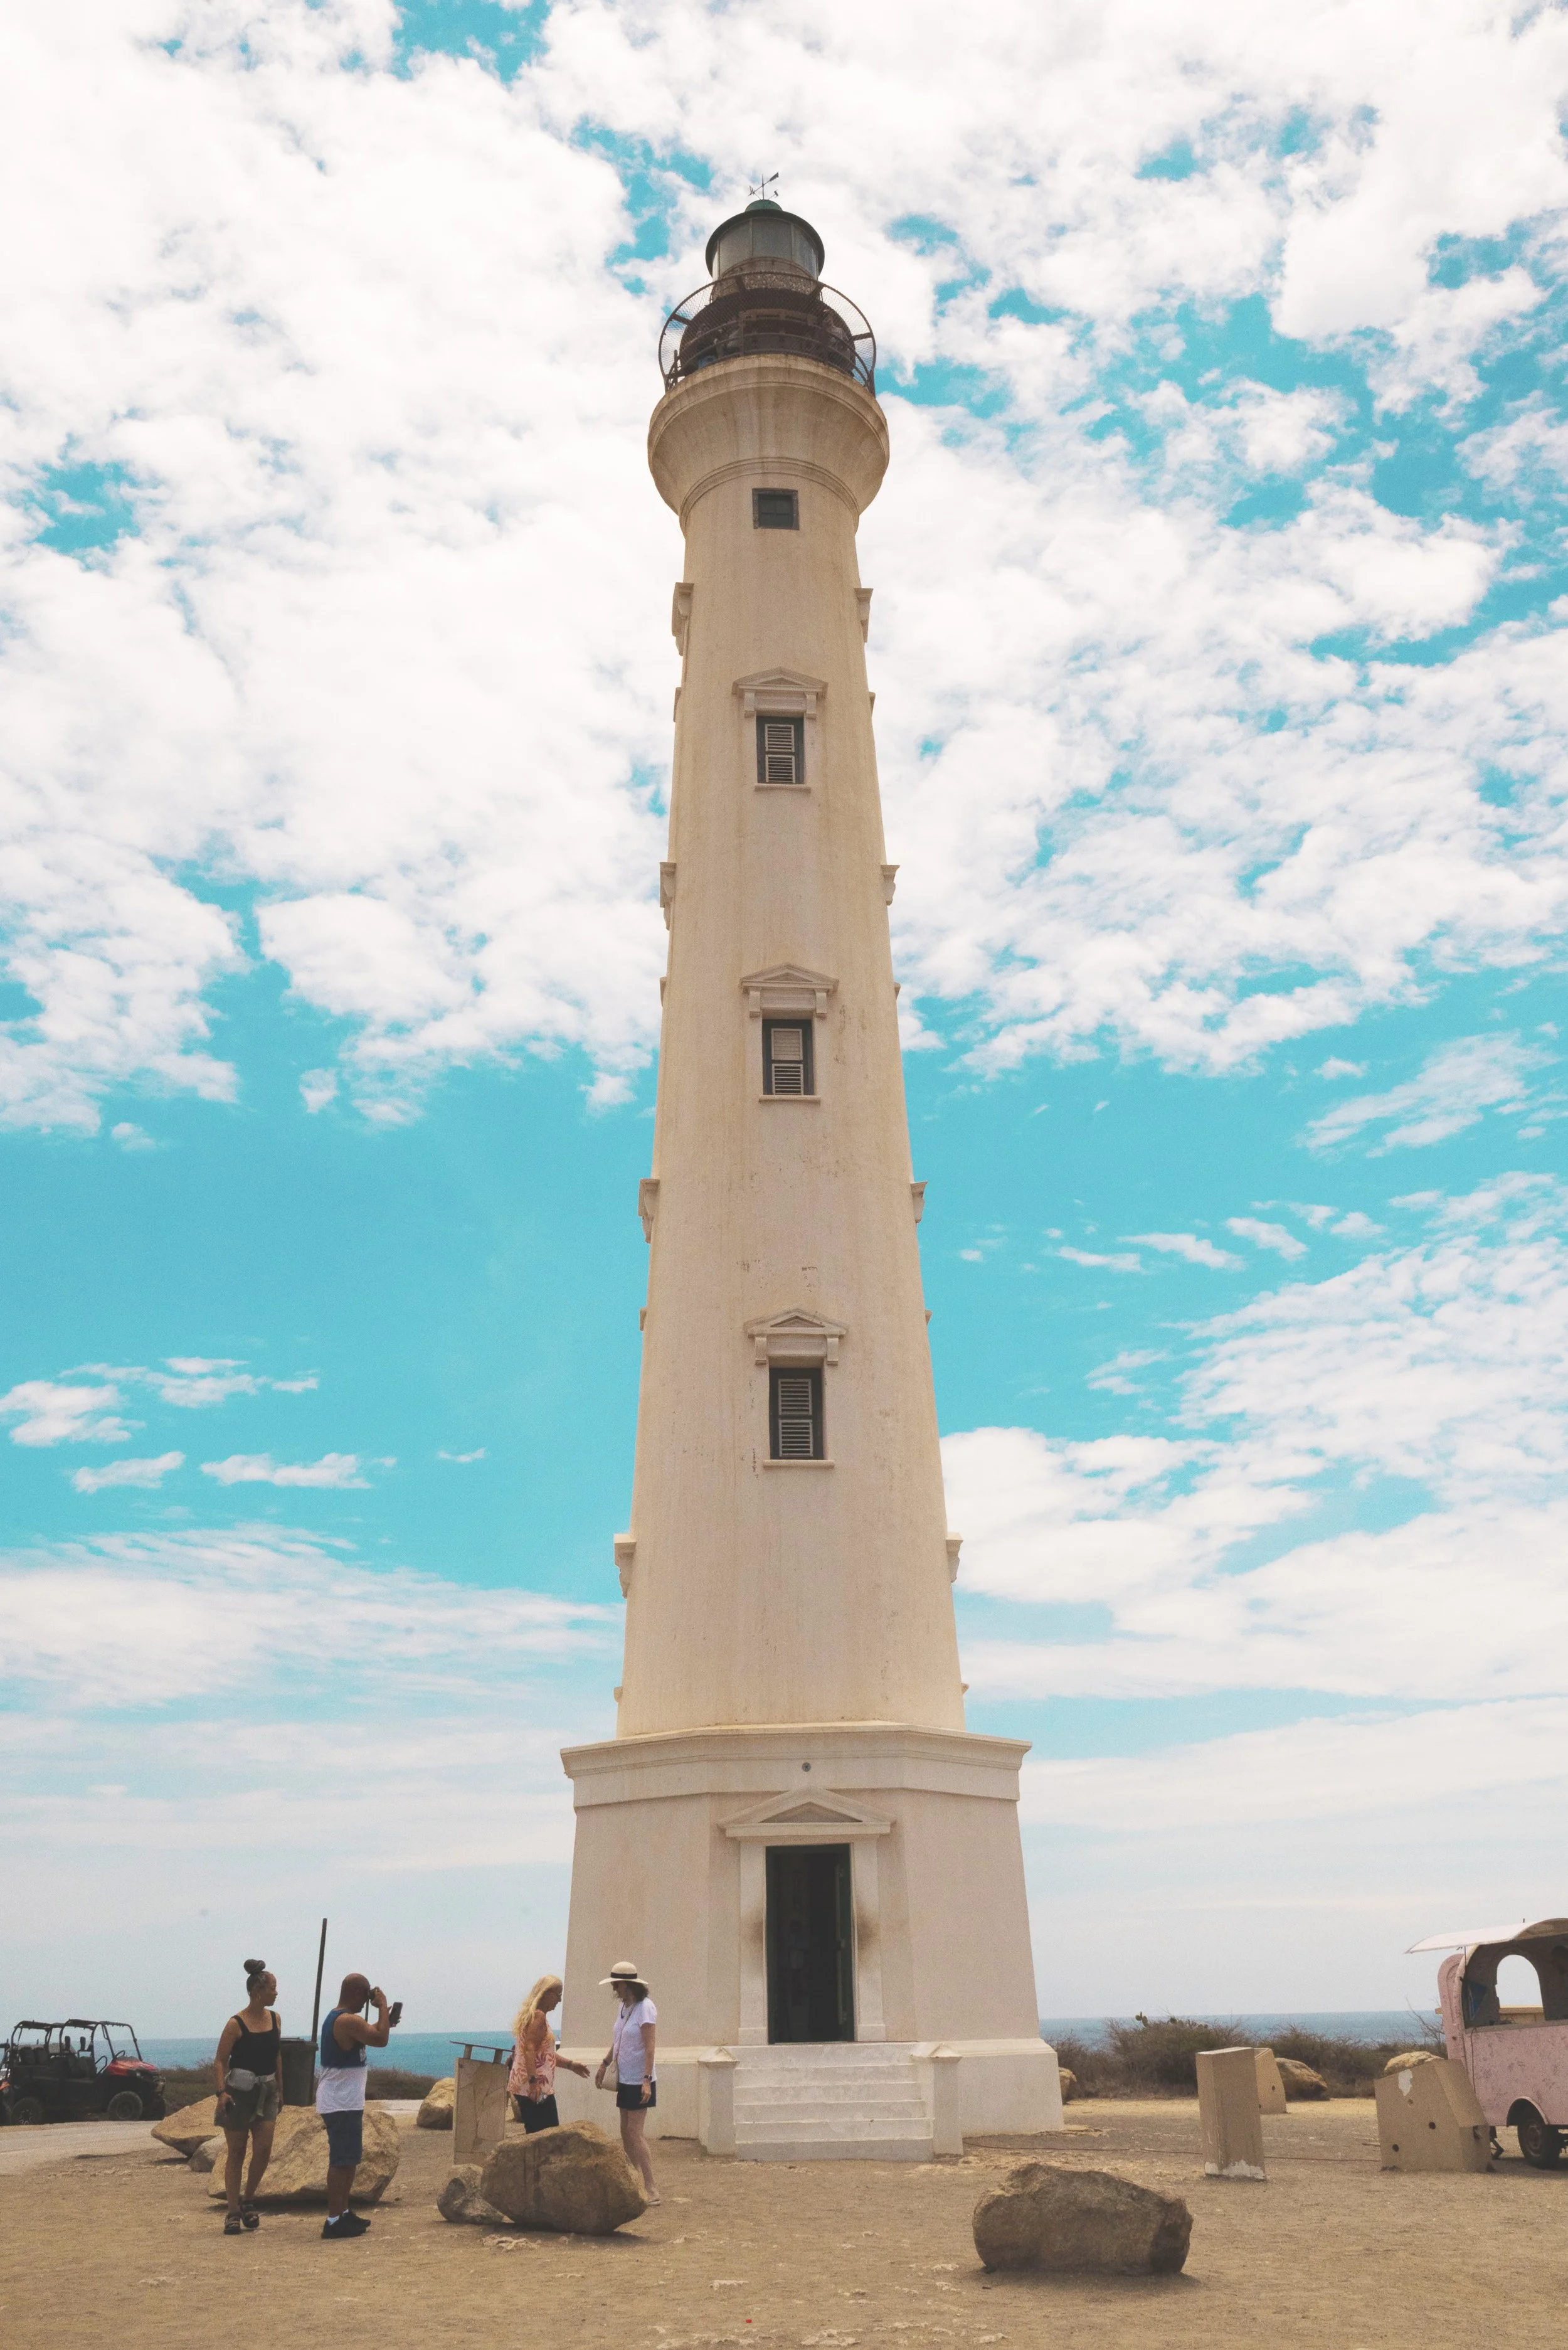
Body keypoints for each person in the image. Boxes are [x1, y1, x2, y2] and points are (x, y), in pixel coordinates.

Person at [315, 1973, 393, 2241]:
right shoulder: (347, 2019)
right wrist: (382, 2006)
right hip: (340, 2102)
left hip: (345, 2101)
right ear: (358, 1994)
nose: (367, 2001)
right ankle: (334, 2219)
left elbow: (371, 2034)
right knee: (342, 2161)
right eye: (367, 1995)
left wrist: (385, 2021)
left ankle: (343, 2212)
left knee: (349, 2160)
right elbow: (381, 2040)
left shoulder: (344, 2020)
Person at [214, 1959, 284, 2235]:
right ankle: (232, 2212)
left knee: (264, 2149)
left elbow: (277, 2055)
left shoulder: (276, 2019)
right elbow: (220, 2061)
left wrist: (281, 2091)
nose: (277, 1993)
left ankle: (249, 2199)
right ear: (258, 1991)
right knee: (237, 2151)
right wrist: (221, 2094)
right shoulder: (236, 2024)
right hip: (239, 2094)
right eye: (274, 1988)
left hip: (267, 2091)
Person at [595, 1958, 659, 2205]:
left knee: (635, 2133)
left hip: (640, 2079)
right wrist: (604, 2063)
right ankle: (633, 2182)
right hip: (625, 2077)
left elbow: (650, 2047)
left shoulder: (645, 2008)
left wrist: (646, 2080)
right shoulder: (624, 2008)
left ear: (627, 1985)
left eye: (617, 1985)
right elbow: (619, 2039)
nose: (615, 1990)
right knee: (625, 2132)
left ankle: (651, 2187)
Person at [508, 1975, 590, 2132]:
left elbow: (545, 2055)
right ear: (546, 1993)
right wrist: (534, 2083)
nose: (559, 2000)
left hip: (527, 2086)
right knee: (548, 2136)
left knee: (538, 2133)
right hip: (535, 2087)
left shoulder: (534, 2016)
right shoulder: (539, 2017)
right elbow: (530, 2049)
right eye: (558, 1995)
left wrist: (570, 2065)